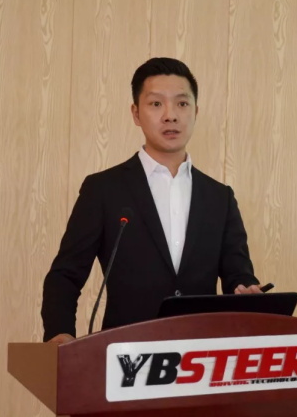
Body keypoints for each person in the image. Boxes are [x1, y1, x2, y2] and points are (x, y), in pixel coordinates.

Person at [41, 57, 261, 344]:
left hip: (201, 353)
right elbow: (65, 275)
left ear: (196, 111)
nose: (170, 115)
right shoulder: (104, 189)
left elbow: (238, 274)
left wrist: (246, 289)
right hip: (126, 353)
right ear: (136, 113)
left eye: (182, 104)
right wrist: (60, 333)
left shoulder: (220, 197)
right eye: (156, 104)